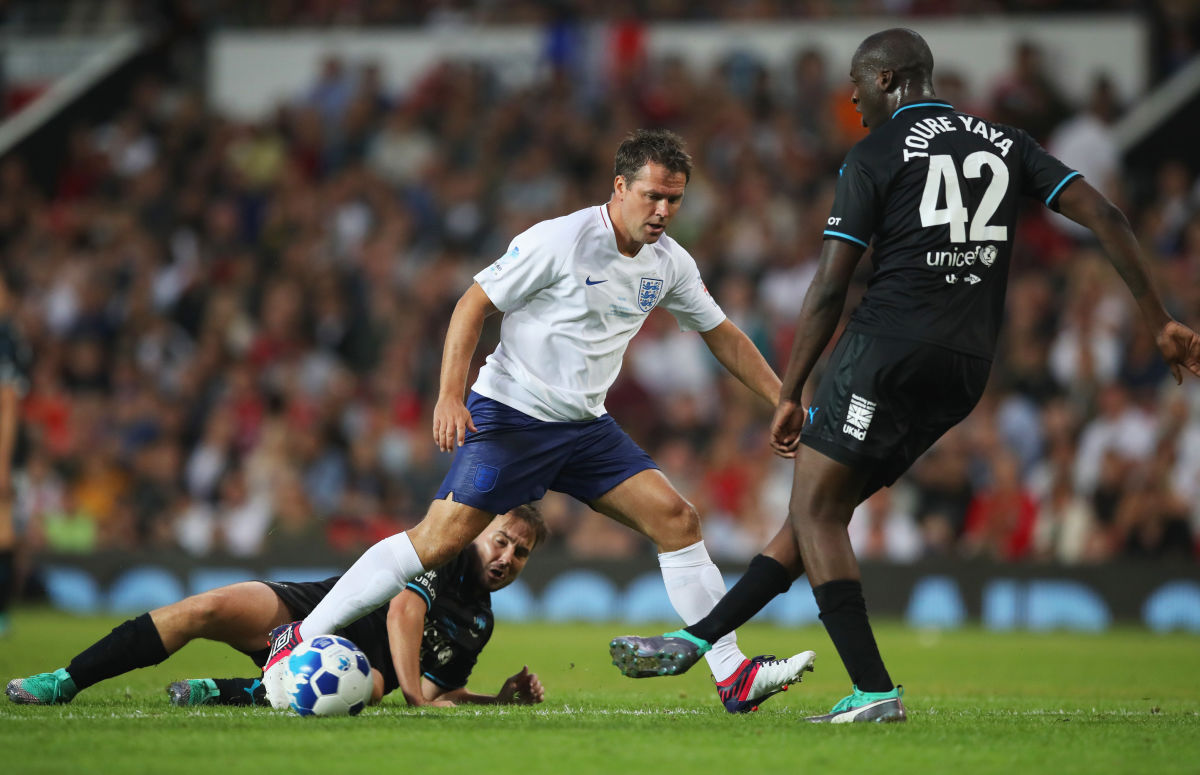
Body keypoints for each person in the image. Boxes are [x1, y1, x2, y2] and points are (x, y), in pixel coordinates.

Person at [608, 28, 1200, 723]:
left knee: (817, 507)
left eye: (858, 85)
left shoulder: (877, 153)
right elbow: (1103, 213)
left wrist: (791, 389)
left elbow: (832, 284)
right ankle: (700, 640)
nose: (853, 102)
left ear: (889, 79)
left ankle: (872, 689)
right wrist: (1160, 317)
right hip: (967, 367)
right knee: (818, 512)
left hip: (886, 352)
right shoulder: (1008, 143)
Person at [265, 129, 815, 714]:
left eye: (674, 200)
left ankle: (730, 674)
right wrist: (450, 395)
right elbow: (472, 303)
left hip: (584, 426)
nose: (663, 211)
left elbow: (723, 335)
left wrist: (782, 398)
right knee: (437, 541)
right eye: (653, 195)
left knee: (679, 520)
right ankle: (297, 636)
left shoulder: (670, 263)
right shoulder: (561, 240)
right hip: (512, 414)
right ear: (620, 186)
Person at [7, 507, 547, 709]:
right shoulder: (445, 552)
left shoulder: (479, 623)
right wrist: (414, 695)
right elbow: (404, 611)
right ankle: (66, 680)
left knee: (364, 684)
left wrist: (494, 701)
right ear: (480, 532)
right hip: (316, 607)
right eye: (501, 540)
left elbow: (439, 691)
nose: (506, 557)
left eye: (520, 552)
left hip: (362, 664)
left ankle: (221, 693)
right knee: (206, 608)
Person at [0, 270, 31, 638]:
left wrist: (3, 463)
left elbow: (8, 401)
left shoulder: (6, 339)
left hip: (3, 450)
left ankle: (3, 611)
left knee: (4, 527)